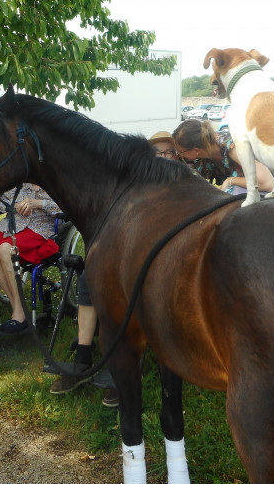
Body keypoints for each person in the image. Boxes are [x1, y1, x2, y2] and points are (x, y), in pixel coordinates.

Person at [48, 130, 183, 407]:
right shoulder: (138, 181)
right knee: (88, 279)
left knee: (132, 286)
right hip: (128, 252)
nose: (164, 157)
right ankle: (83, 357)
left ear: (177, 154)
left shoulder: (182, 180)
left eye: (169, 152)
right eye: (158, 152)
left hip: (164, 259)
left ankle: (124, 364)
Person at [0, 184, 61, 334]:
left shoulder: (52, 181)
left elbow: (66, 208)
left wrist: (39, 204)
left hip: (38, 229)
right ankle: (18, 308)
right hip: (11, 227)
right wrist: (14, 206)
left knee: (5, 249)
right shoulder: (18, 184)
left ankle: (19, 314)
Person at [172, 119, 274, 193]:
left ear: (196, 150)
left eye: (181, 151)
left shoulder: (232, 146)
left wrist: (230, 181)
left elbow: (267, 183)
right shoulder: (204, 157)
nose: (180, 155)